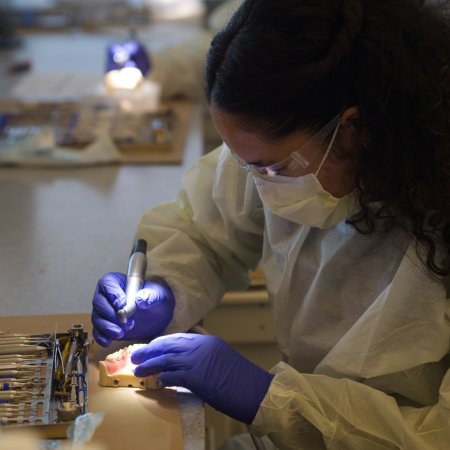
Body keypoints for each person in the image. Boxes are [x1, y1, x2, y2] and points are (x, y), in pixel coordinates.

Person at [91, 0, 450, 448]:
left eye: (272, 169)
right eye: (247, 166)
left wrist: (271, 398)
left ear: (353, 129)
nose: (261, 183)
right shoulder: (291, 145)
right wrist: (165, 286)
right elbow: (204, 229)